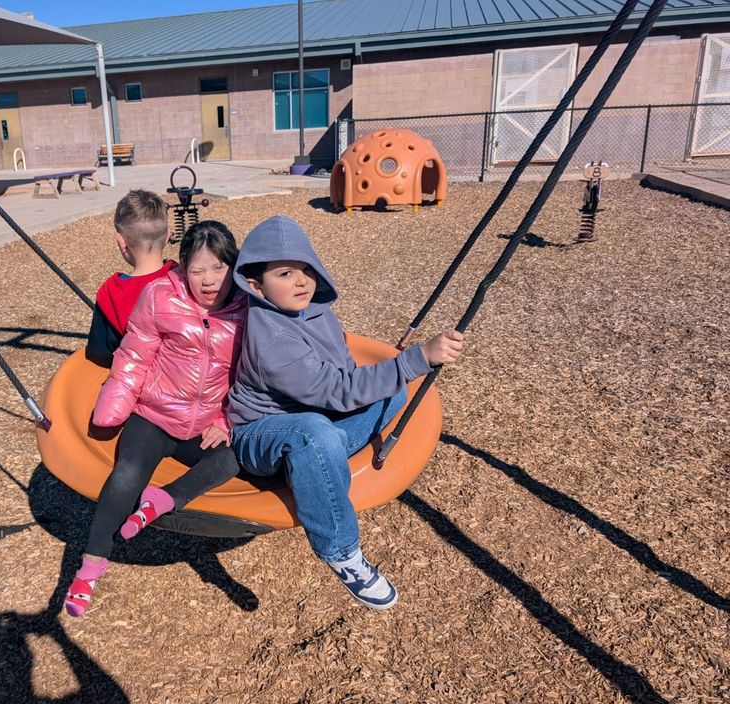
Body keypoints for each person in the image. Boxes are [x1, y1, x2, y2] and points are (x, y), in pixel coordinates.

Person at [227, 215, 464, 611]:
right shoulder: (272, 339)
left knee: (392, 395)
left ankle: (317, 462)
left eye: (306, 269)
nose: (301, 281)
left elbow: (344, 370)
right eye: (285, 274)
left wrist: (392, 376)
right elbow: (337, 390)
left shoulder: (314, 309)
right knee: (314, 433)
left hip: (315, 419)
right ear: (256, 286)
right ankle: (341, 552)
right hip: (260, 434)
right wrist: (418, 358)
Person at [65, 221, 247, 617]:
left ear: (233, 266)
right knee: (127, 472)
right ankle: (91, 565)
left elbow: (252, 374)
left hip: (207, 424)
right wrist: (114, 405)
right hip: (156, 414)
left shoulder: (247, 308)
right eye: (197, 270)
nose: (209, 280)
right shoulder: (160, 295)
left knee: (237, 457)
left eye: (218, 268)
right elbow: (134, 356)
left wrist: (228, 420)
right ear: (182, 268)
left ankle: (163, 499)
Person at [86, 189, 177, 367]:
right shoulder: (183, 278)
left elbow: (100, 355)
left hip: (133, 376)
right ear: (167, 235)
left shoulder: (111, 293)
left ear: (121, 241)